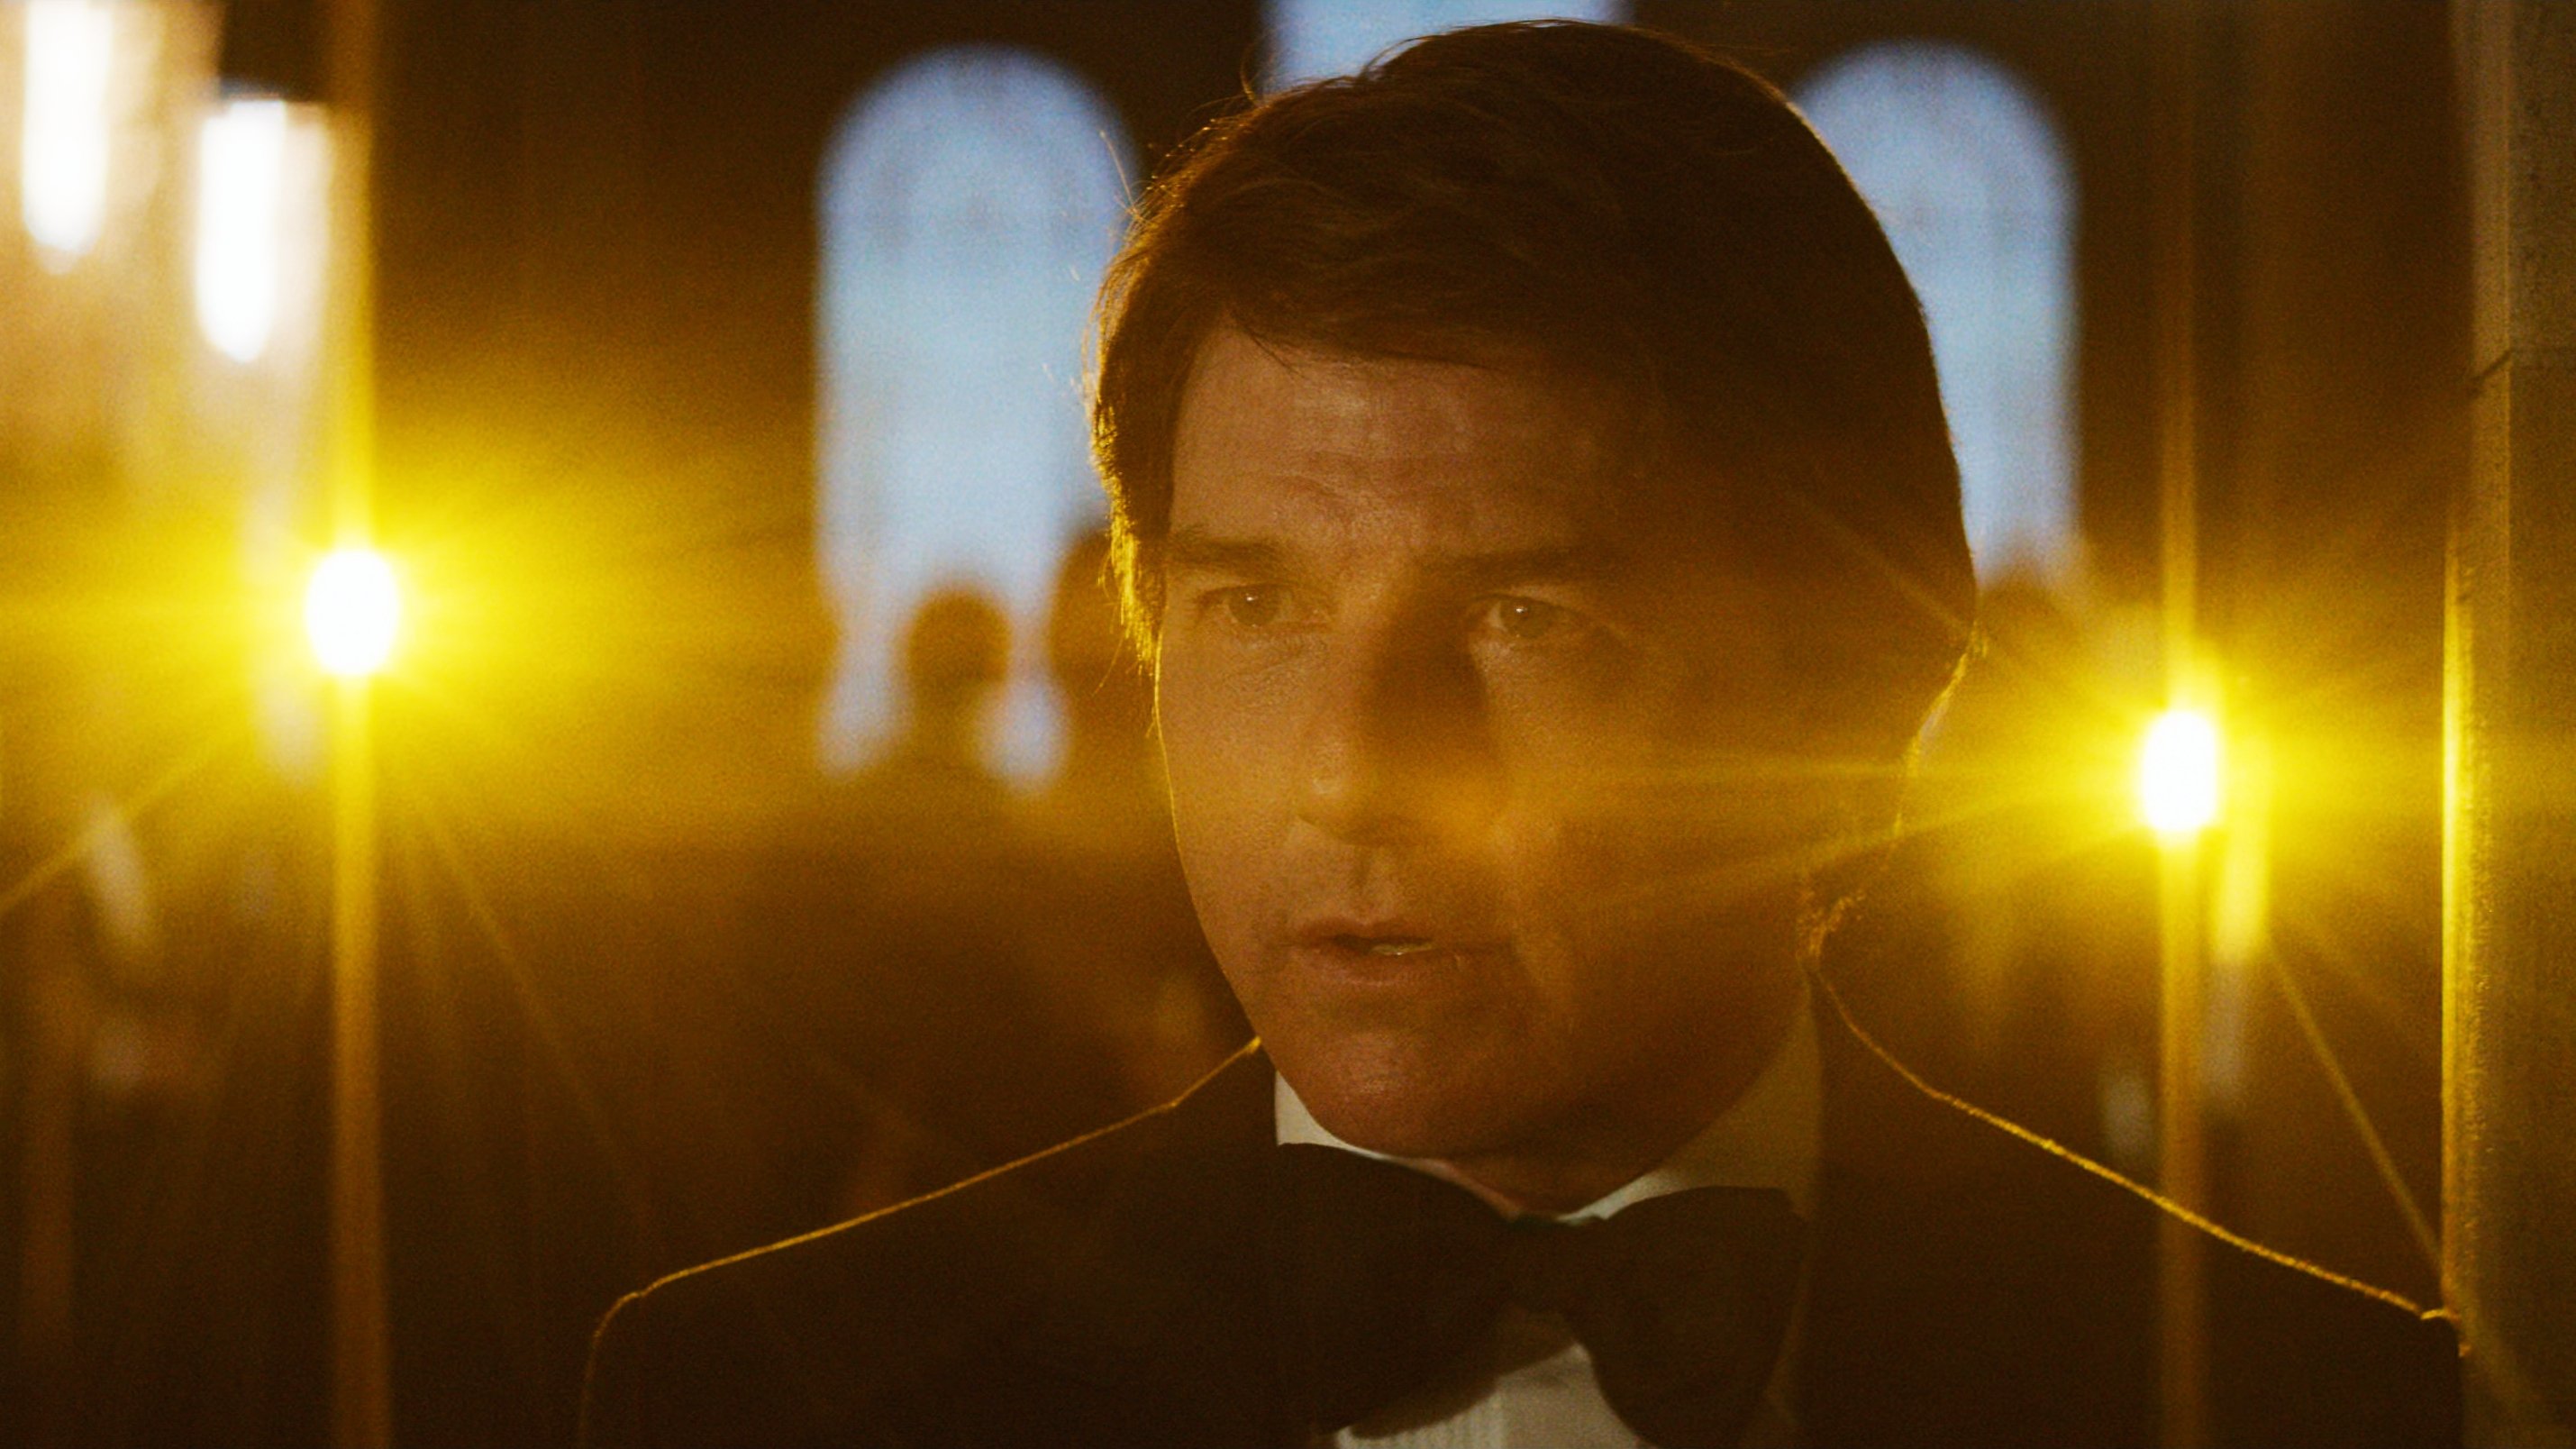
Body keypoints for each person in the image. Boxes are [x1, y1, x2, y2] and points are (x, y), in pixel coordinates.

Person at [581, 23, 2457, 1447]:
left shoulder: (2321, 1406)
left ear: (1863, 675)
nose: (1346, 772)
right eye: (1256, 609)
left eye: (1522, 617)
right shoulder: (770, 1395)